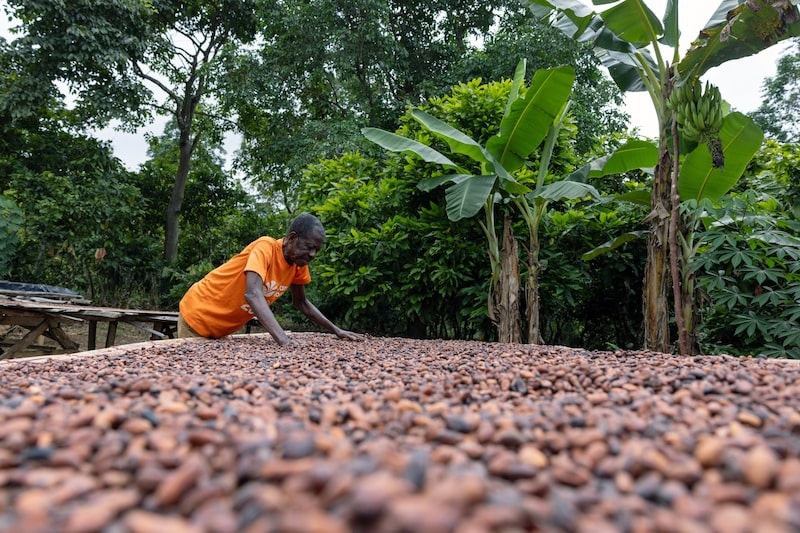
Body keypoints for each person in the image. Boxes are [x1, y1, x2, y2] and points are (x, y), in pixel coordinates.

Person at [178, 213, 363, 345]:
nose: (313, 254)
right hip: (197, 315)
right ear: (292, 238)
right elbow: (252, 293)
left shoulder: (298, 265)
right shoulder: (266, 247)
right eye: (309, 247)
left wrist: (337, 330)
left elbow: (302, 303)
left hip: (221, 329)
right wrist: (283, 340)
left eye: (317, 250)